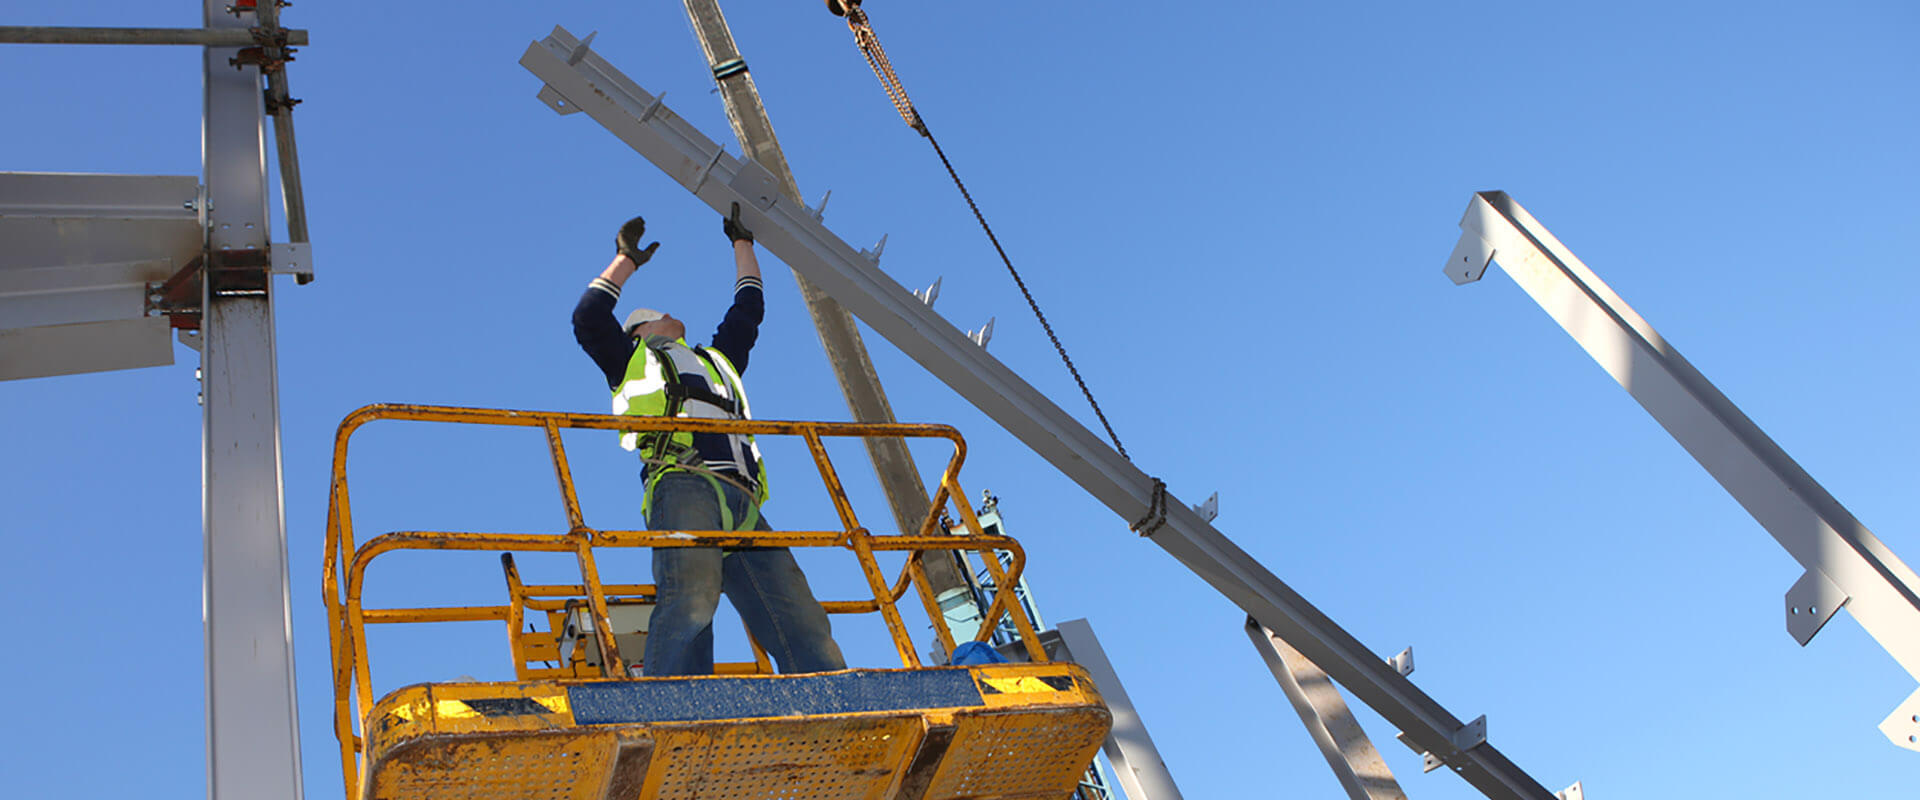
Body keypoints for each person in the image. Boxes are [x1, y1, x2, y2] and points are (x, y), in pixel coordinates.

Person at [571, 204, 847, 677]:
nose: (669, 314)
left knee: (799, 616)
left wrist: (742, 242)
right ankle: (674, 711)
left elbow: (748, 310)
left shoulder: (717, 361)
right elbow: (588, 319)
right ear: (639, 332)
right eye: (654, 315)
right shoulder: (631, 360)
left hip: (742, 501)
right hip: (684, 484)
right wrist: (625, 262)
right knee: (691, 601)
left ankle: (838, 703)